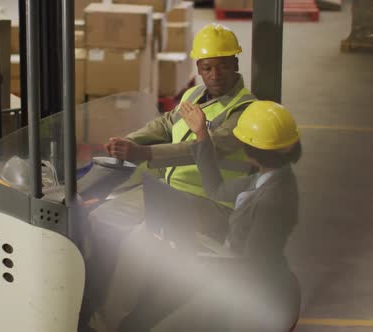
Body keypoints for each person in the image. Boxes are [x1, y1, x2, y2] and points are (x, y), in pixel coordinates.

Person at [82, 23, 257, 322]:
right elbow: (165, 124)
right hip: (169, 194)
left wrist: (144, 154)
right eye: (207, 68)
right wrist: (131, 141)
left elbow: (204, 148)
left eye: (223, 66)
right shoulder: (196, 94)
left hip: (211, 204)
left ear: (236, 64)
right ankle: (91, 303)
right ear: (199, 69)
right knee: (101, 218)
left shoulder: (246, 111)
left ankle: (122, 320)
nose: (214, 75)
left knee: (143, 246)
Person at [94, 100, 303, 332]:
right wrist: (202, 134)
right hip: (234, 262)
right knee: (151, 247)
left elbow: (251, 265)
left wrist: (200, 263)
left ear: (254, 150)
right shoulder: (266, 178)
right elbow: (217, 190)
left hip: (248, 285)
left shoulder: (272, 200)